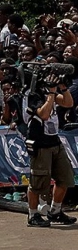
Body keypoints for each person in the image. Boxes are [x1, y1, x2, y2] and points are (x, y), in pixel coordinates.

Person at [25, 73, 76, 227]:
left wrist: (63, 88)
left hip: (55, 141)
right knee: (37, 182)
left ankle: (55, 211)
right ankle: (33, 215)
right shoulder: (33, 95)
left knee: (65, 178)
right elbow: (44, 114)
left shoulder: (50, 94)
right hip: (40, 144)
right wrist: (52, 93)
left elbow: (68, 103)